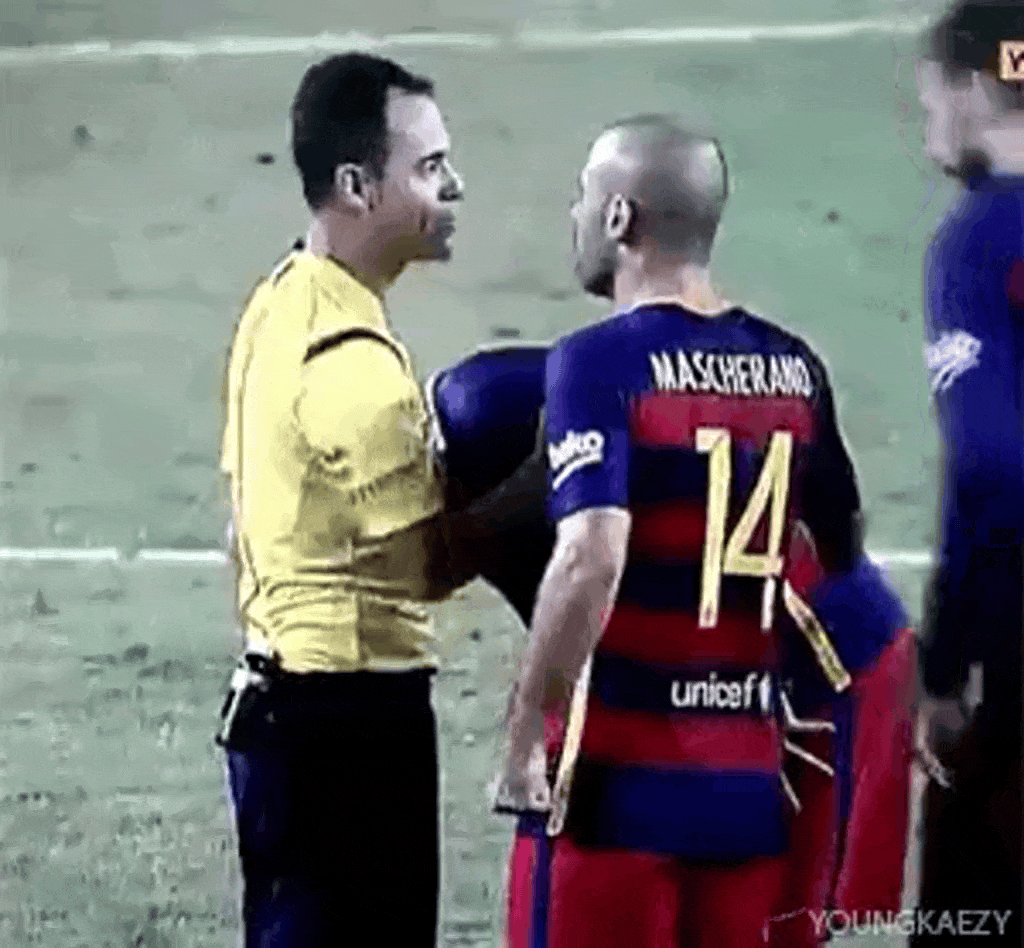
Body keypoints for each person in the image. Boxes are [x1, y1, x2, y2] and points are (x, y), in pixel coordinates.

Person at [437, 113, 911, 947]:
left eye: (584, 196)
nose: (575, 215)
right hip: (744, 796)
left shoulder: (598, 362)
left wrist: (525, 733)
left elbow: (591, 555)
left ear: (621, 217)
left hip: (610, 798)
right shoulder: (795, 367)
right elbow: (837, 539)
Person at [217, 52, 465, 947]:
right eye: (430, 169)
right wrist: (544, 477)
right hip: (348, 725)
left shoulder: (283, 297)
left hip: (284, 704)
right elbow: (426, 566)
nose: (455, 187)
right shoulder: (349, 360)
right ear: (358, 186)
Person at [913, 2, 1024, 941]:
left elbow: (991, 465)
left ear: (976, 89)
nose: (929, 131)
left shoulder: (982, 240)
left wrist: (946, 666)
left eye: (930, 103)